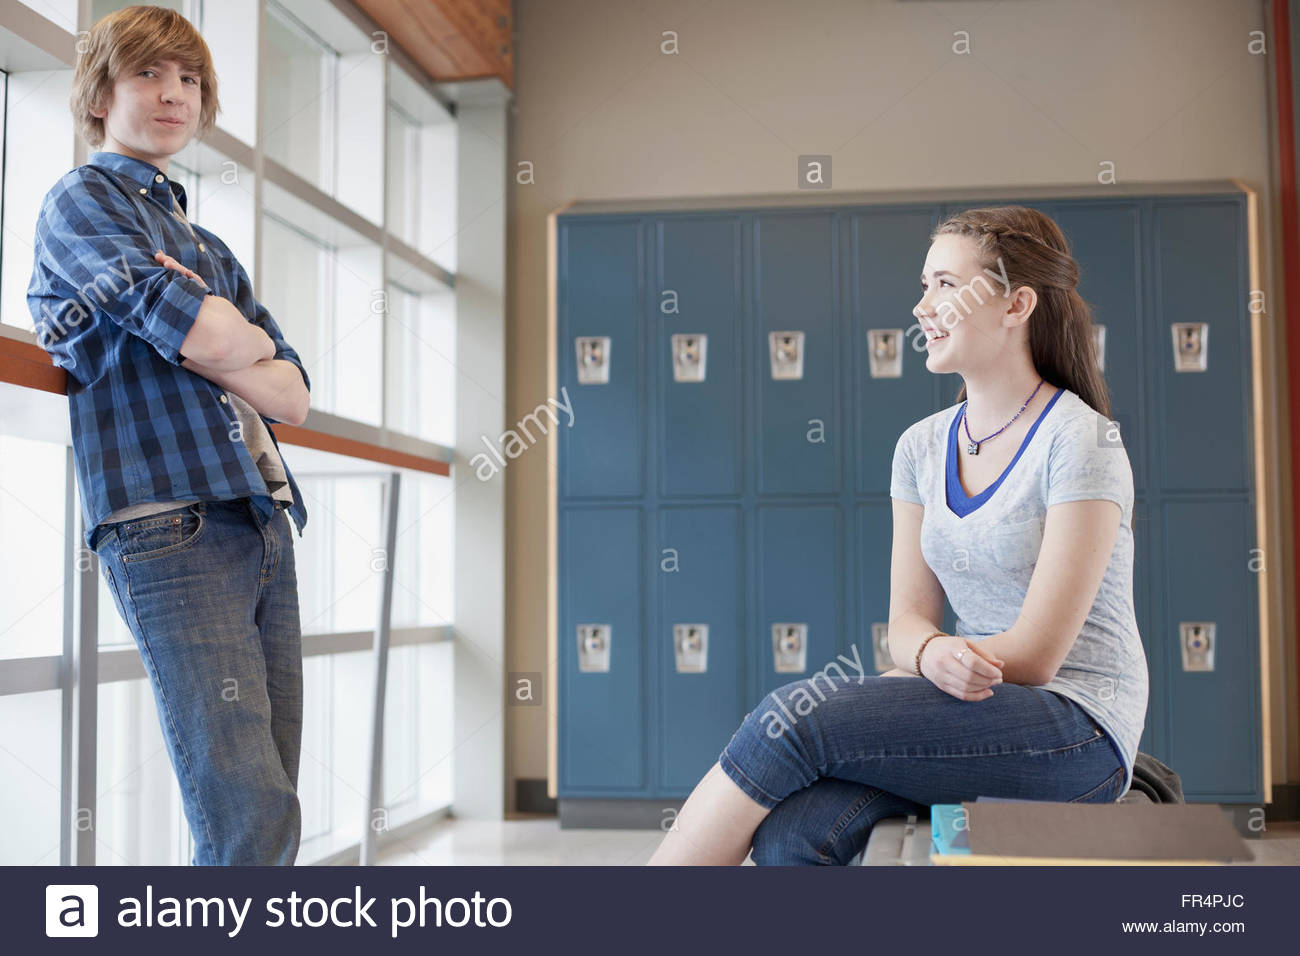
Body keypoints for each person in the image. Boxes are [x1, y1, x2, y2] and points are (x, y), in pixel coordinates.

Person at [647, 205, 1148, 866]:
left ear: (1016, 304)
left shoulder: (1081, 439)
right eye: (923, 285)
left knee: (794, 717)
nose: (922, 306)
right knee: (792, 831)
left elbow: (1035, 656)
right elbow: (906, 621)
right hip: (974, 707)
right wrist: (928, 651)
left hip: (1076, 732)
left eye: (945, 284)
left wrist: (935, 657)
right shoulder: (921, 447)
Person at [27, 6, 311, 865]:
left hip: (259, 517)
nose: (174, 94)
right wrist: (221, 337)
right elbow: (221, 342)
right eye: (149, 74)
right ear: (100, 93)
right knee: (246, 812)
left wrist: (218, 330)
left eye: (189, 79)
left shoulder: (207, 245)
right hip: (167, 519)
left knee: (272, 795)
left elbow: (292, 394)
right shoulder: (82, 200)